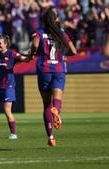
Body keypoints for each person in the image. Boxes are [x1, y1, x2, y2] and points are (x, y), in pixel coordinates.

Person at [29, 8, 76, 147]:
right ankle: (57, 110)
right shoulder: (61, 33)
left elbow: (34, 46)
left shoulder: (39, 33)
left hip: (44, 68)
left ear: (44, 20)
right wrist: (64, 56)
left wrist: (32, 54)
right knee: (57, 100)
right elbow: (74, 50)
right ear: (55, 19)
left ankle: (50, 137)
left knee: (46, 104)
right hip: (59, 68)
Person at [0, 34, 31, 140]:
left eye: (0, 43)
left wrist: (30, 56)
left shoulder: (12, 54)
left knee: (7, 110)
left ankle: (13, 133)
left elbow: (25, 59)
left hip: (8, 86)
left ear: (6, 44)